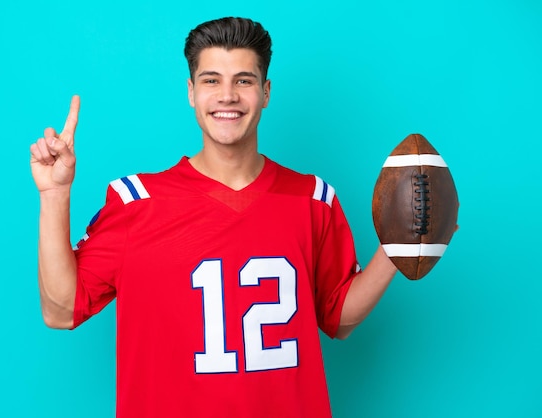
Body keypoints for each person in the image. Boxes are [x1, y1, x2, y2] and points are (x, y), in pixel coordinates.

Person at [30, 17, 397, 418]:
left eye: (243, 80)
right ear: (191, 92)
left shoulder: (312, 198)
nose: (227, 96)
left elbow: (338, 318)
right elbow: (60, 311)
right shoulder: (137, 202)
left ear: (265, 92)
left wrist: (397, 249)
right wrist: (55, 194)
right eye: (210, 80)